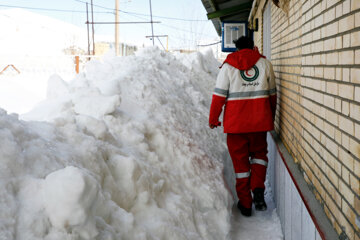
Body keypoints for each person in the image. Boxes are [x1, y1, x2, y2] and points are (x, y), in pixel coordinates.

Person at [208, 36, 277, 217]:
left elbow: (218, 97)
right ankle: (258, 190)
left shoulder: (228, 67)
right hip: (259, 124)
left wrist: (213, 119)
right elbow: (272, 96)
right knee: (260, 156)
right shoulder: (265, 64)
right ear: (253, 47)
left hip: (236, 127)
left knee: (240, 165)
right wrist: (271, 116)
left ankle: (246, 205)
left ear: (236, 49)